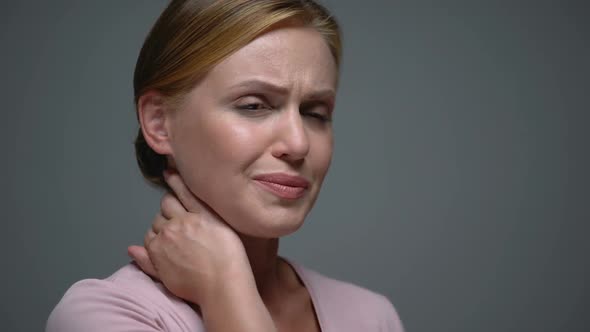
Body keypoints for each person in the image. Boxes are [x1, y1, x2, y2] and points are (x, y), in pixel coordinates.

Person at [46, 1, 404, 331]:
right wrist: (225, 286)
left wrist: (226, 288)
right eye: (253, 106)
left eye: (315, 113)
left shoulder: (372, 316)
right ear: (159, 123)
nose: (298, 144)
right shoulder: (105, 316)